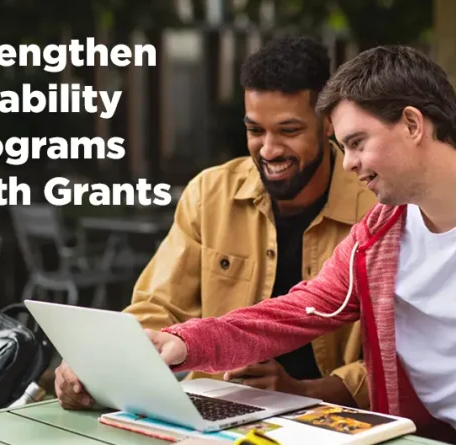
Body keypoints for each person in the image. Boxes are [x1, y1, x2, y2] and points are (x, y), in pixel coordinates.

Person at [145, 45, 456, 445]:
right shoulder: (382, 233)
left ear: (413, 123)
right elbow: (298, 309)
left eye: (356, 142)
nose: (346, 163)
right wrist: (186, 342)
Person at [53, 36, 376, 411]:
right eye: (255, 131)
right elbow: (157, 306)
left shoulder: (376, 206)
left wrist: (305, 392)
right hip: (207, 411)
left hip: (330, 420)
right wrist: (100, 364)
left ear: (328, 124)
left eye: (289, 131)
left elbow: (397, 357)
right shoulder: (211, 193)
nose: (269, 150)